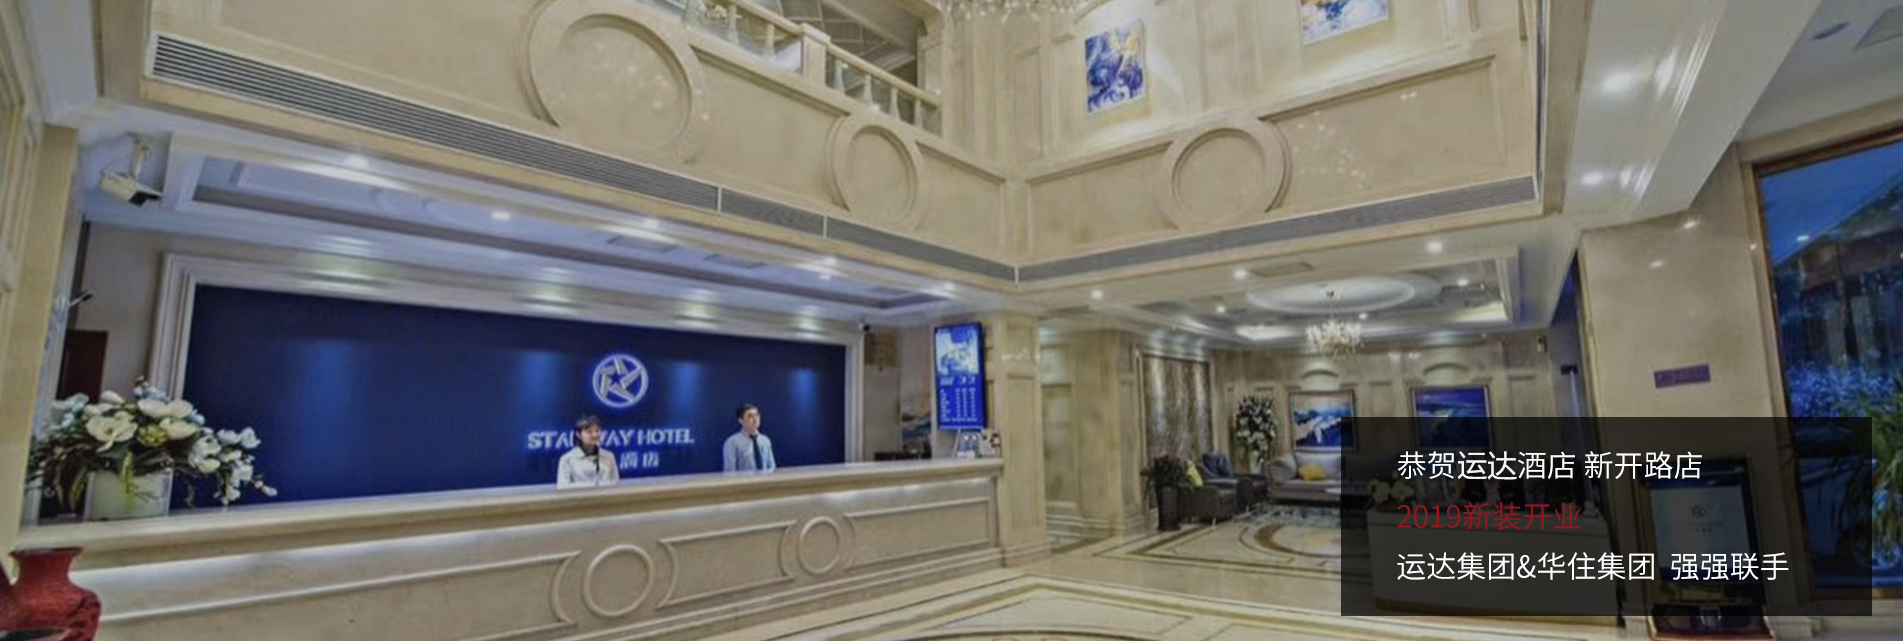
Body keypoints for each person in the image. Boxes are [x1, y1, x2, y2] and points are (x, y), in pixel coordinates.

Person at [557, 415, 620, 488]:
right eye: (589, 432)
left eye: (597, 431)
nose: (595, 435)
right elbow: (563, 487)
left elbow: (616, 484)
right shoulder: (567, 459)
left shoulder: (609, 456)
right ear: (578, 434)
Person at [722, 403, 776, 472]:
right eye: (750, 416)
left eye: (757, 415)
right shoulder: (732, 442)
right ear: (740, 420)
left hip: (765, 478)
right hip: (744, 479)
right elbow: (730, 470)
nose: (755, 419)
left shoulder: (765, 440)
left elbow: (772, 467)